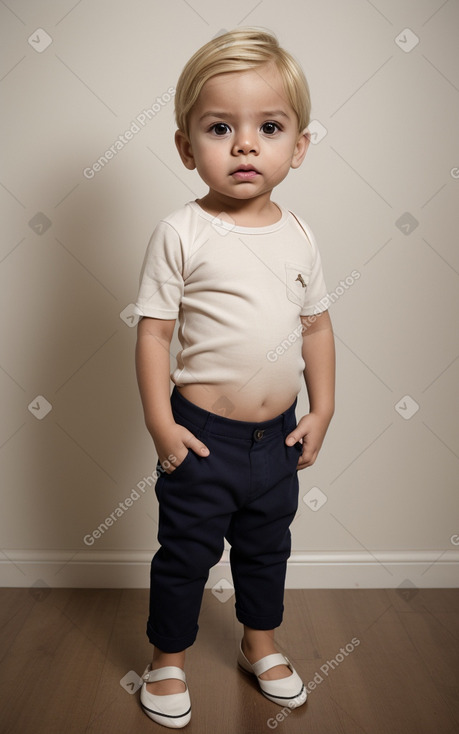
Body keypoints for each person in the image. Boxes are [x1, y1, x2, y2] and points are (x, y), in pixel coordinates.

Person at [134, 27, 335, 728]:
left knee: (265, 548)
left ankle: (260, 643)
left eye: (267, 127)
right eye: (221, 128)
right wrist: (162, 424)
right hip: (202, 438)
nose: (245, 145)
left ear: (297, 146)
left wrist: (323, 408)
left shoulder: (299, 234)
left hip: (276, 442)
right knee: (185, 553)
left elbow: (315, 328)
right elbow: (154, 332)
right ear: (188, 148)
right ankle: (167, 659)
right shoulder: (181, 232)